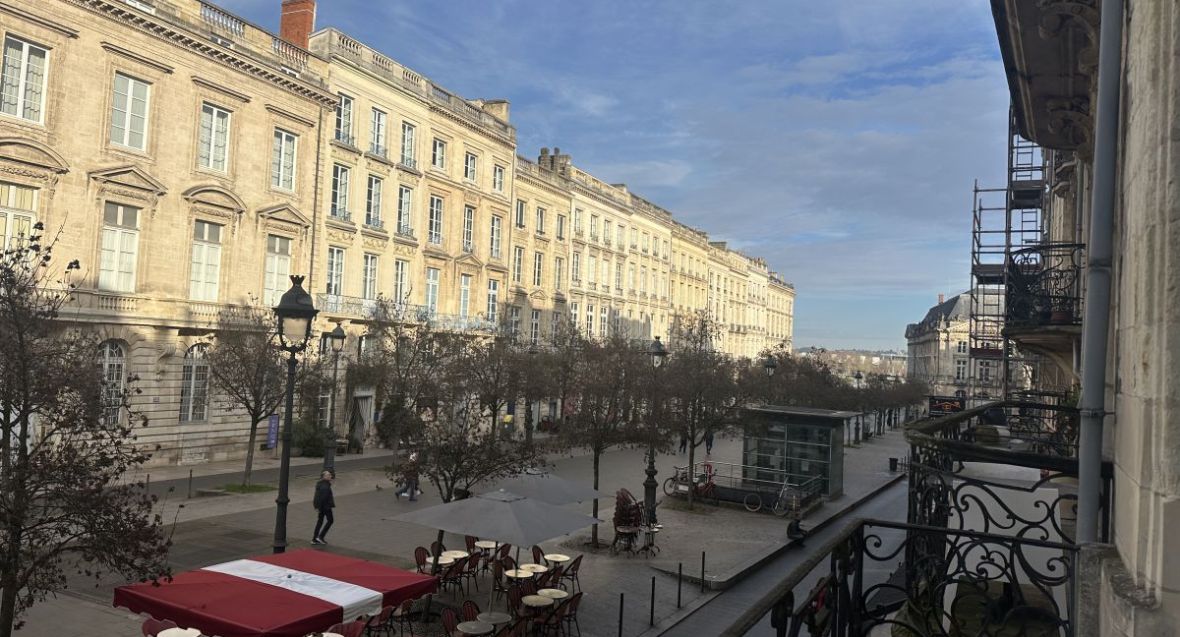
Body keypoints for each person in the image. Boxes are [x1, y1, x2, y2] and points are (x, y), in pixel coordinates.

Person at [312, 470, 335, 545]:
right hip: (326, 507)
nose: (330, 476)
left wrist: (316, 507)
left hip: (321, 507)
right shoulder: (325, 486)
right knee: (330, 520)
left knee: (320, 521)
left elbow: (316, 497)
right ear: (324, 477)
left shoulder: (320, 484)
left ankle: (314, 539)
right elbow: (323, 498)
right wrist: (320, 508)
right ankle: (320, 537)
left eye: (330, 475)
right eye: (328, 475)